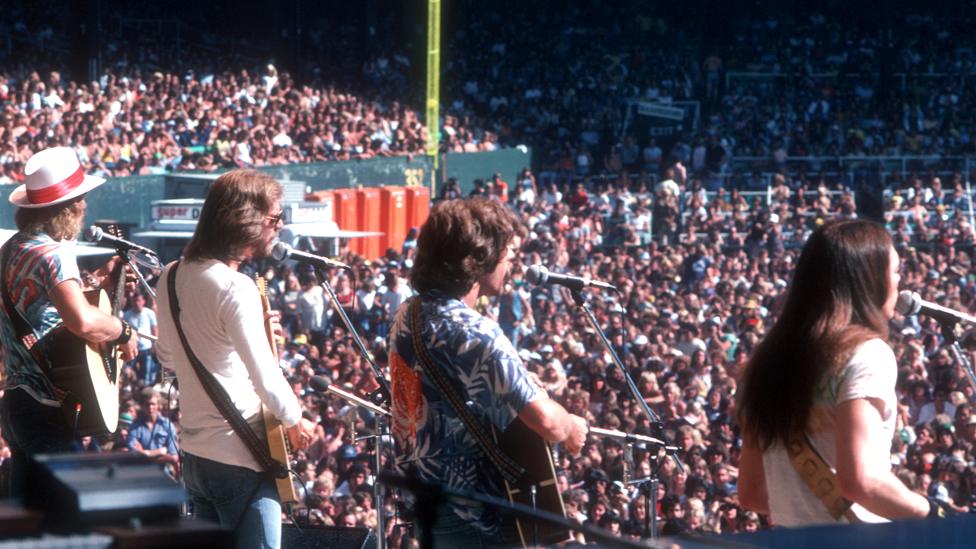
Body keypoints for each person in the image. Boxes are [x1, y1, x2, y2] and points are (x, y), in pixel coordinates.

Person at [388, 198, 588, 547]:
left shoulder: (408, 314)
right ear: (478, 259)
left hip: (428, 503)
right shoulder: (475, 332)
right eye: (507, 252)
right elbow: (548, 423)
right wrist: (571, 426)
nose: (511, 261)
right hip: (477, 517)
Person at [737, 219, 937, 526]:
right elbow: (860, 481)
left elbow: (752, 493)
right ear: (871, 279)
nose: (900, 282)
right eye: (895, 271)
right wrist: (930, 510)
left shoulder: (765, 362)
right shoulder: (867, 354)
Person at [155, 169, 316, 549]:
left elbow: (167, 356)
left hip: (195, 457)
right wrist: (296, 421)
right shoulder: (236, 288)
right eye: (274, 219)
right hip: (241, 458)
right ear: (245, 222)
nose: (278, 228)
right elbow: (266, 379)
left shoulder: (170, 275)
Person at [0, 146, 139, 498]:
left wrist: (94, 281)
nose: (85, 206)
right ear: (67, 207)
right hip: (48, 404)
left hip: (16, 400)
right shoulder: (55, 254)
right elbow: (83, 322)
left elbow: (41, 301)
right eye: (80, 199)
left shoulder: (12, 249)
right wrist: (123, 332)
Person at [123, 291, 159, 385]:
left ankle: (146, 388)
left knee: (146, 373)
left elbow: (154, 329)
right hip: (133, 348)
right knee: (129, 371)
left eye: (138, 300)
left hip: (146, 348)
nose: (136, 303)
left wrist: (154, 345)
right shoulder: (127, 315)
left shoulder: (149, 313)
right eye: (134, 301)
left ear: (143, 301)